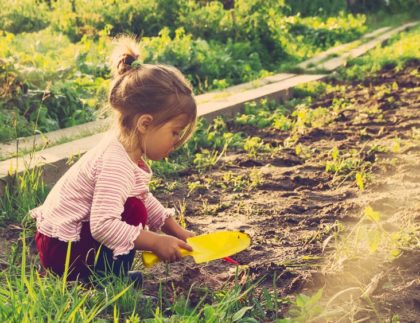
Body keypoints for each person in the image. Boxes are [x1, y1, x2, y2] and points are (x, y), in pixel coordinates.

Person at [30, 37, 197, 285]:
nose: (176, 142)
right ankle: (106, 279)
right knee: (133, 211)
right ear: (145, 123)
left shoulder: (125, 150)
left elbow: (141, 194)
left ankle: (103, 273)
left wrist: (175, 230)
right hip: (63, 250)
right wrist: (154, 241)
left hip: (63, 244)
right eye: (175, 132)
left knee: (134, 205)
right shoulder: (115, 163)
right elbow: (103, 226)